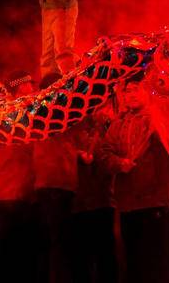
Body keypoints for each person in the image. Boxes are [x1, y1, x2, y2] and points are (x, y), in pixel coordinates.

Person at [98, 81, 169, 283]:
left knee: (157, 265)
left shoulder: (162, 119)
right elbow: (104, 152)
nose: (131, 94)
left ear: (148, 91)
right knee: (135, 265)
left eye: (136, 89)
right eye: (127, 90)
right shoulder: (119, 124)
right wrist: (119, 163)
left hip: (156, 203)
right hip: (128, 205)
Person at [0, 74, 37, 282]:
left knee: (13, 254)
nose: (32, 88)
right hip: (6, 193)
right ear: (19, 87)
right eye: (29, 84)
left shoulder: (15, 111)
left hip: (14, 193)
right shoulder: (11, 113)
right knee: (5, 254)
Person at [32, 72, 80, 283]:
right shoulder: (57, 111)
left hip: (54, 183)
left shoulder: (39, 111)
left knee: (52, 243)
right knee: (57, 244)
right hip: (56, 183)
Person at [70, 104, 119, 283]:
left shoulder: (108, 126)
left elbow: (111, 154)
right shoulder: (75, 127)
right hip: (82, 199)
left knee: (103, 254)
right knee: (87, 256)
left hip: (100, 199)